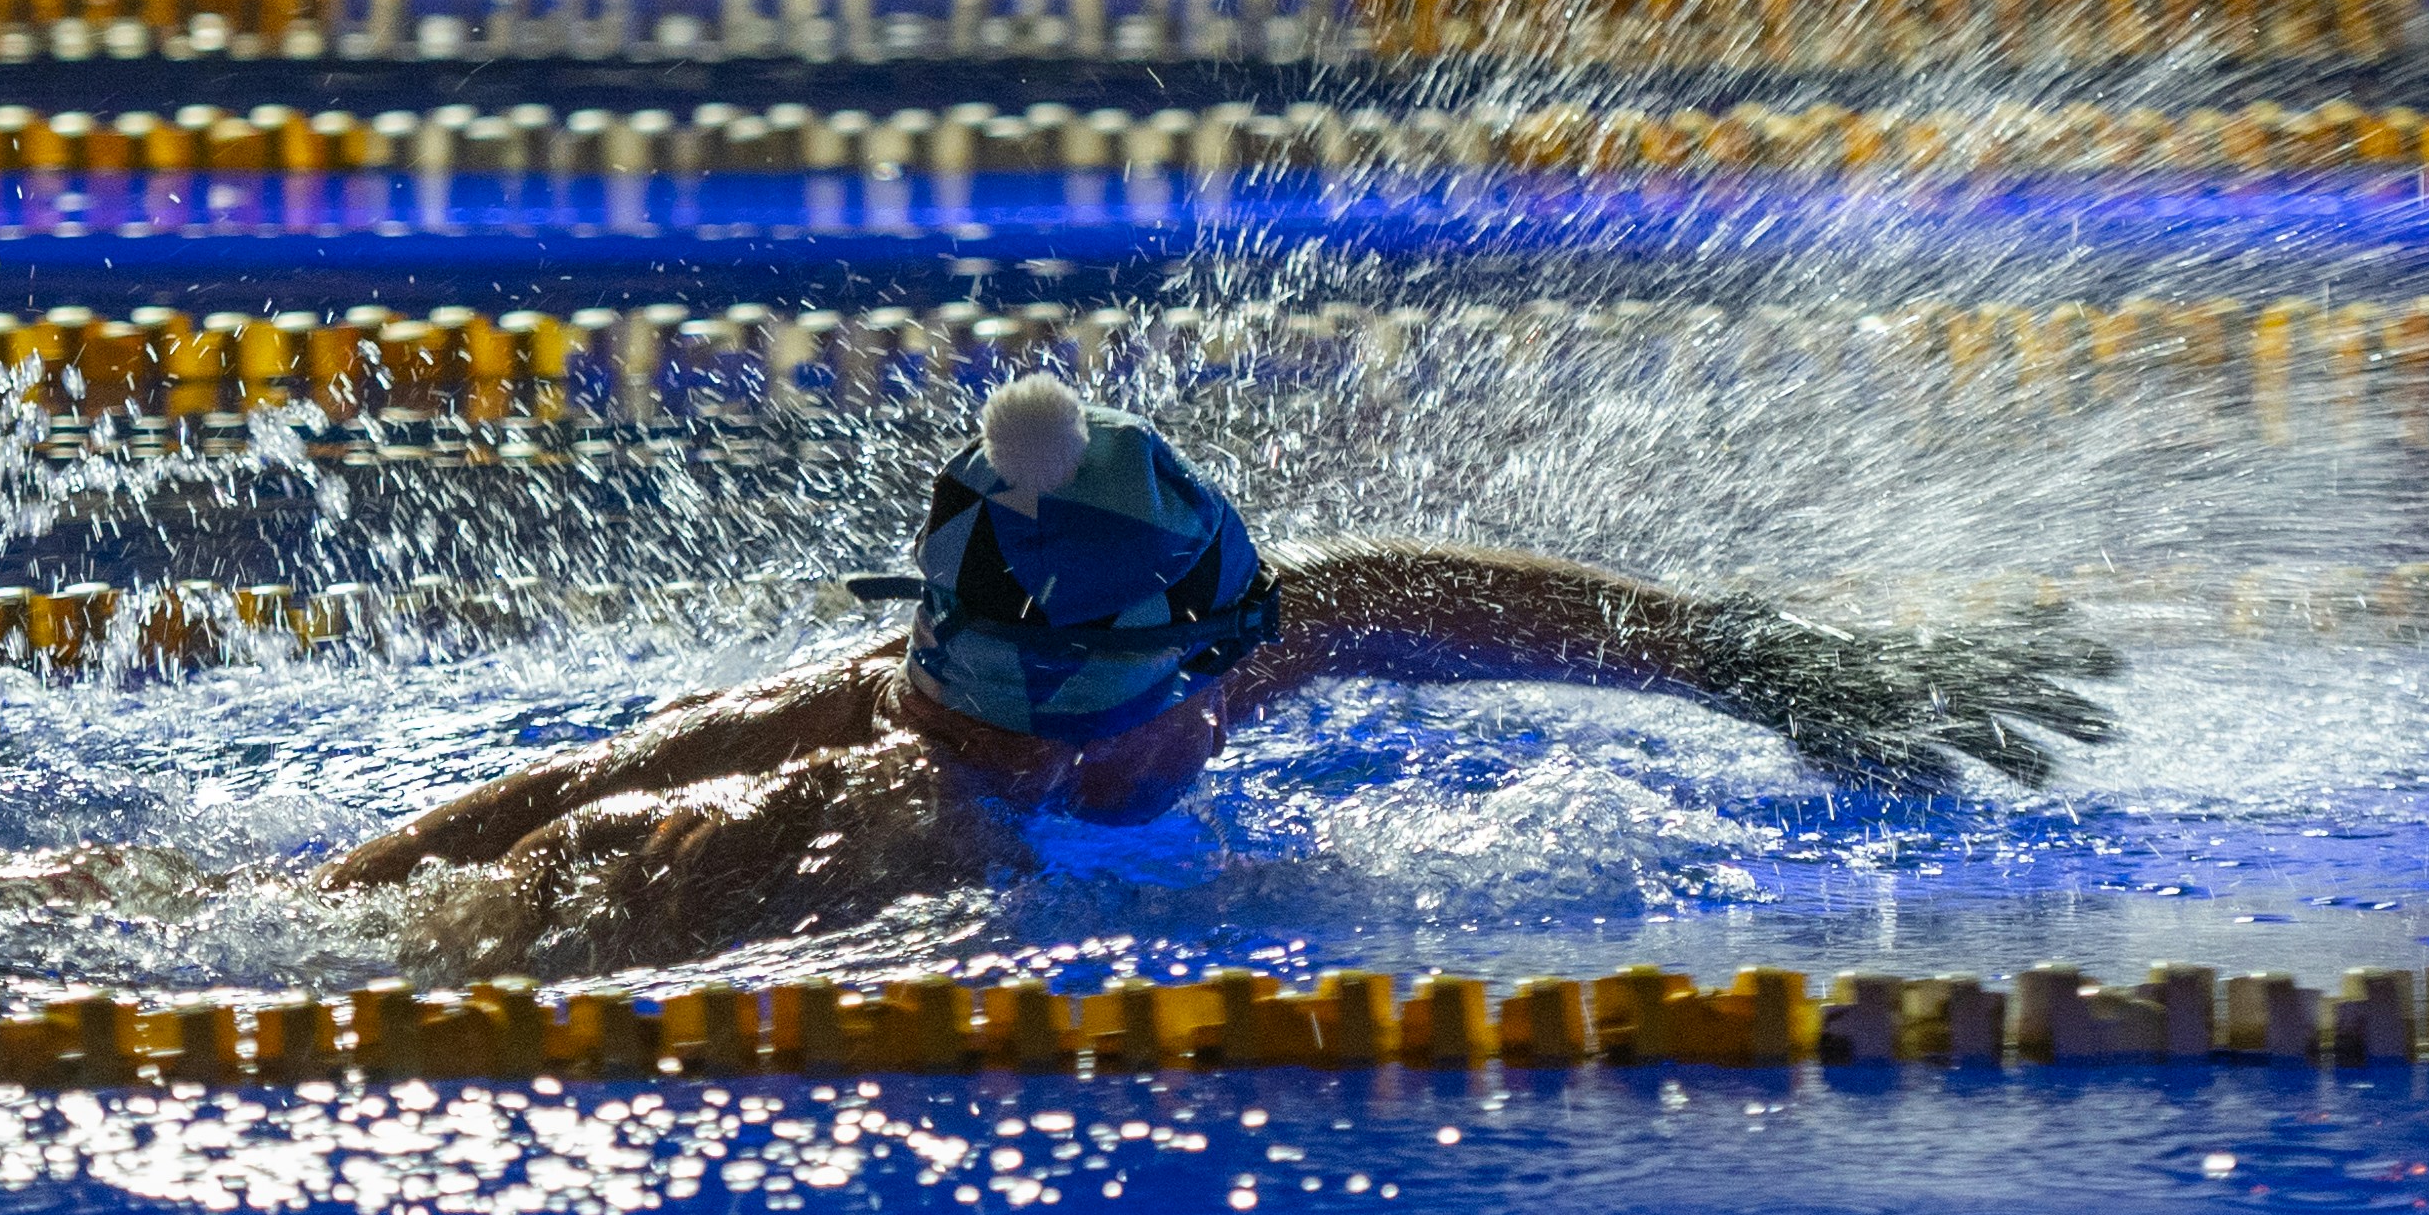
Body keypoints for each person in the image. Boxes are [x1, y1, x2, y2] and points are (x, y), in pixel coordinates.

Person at [324, 371, 2117, 969]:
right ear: (1117, 713)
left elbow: (1375, 600)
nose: (1279, 668)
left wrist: (1770, 663)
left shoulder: (1038, 686)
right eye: (1231, 662)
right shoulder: (877, 844)